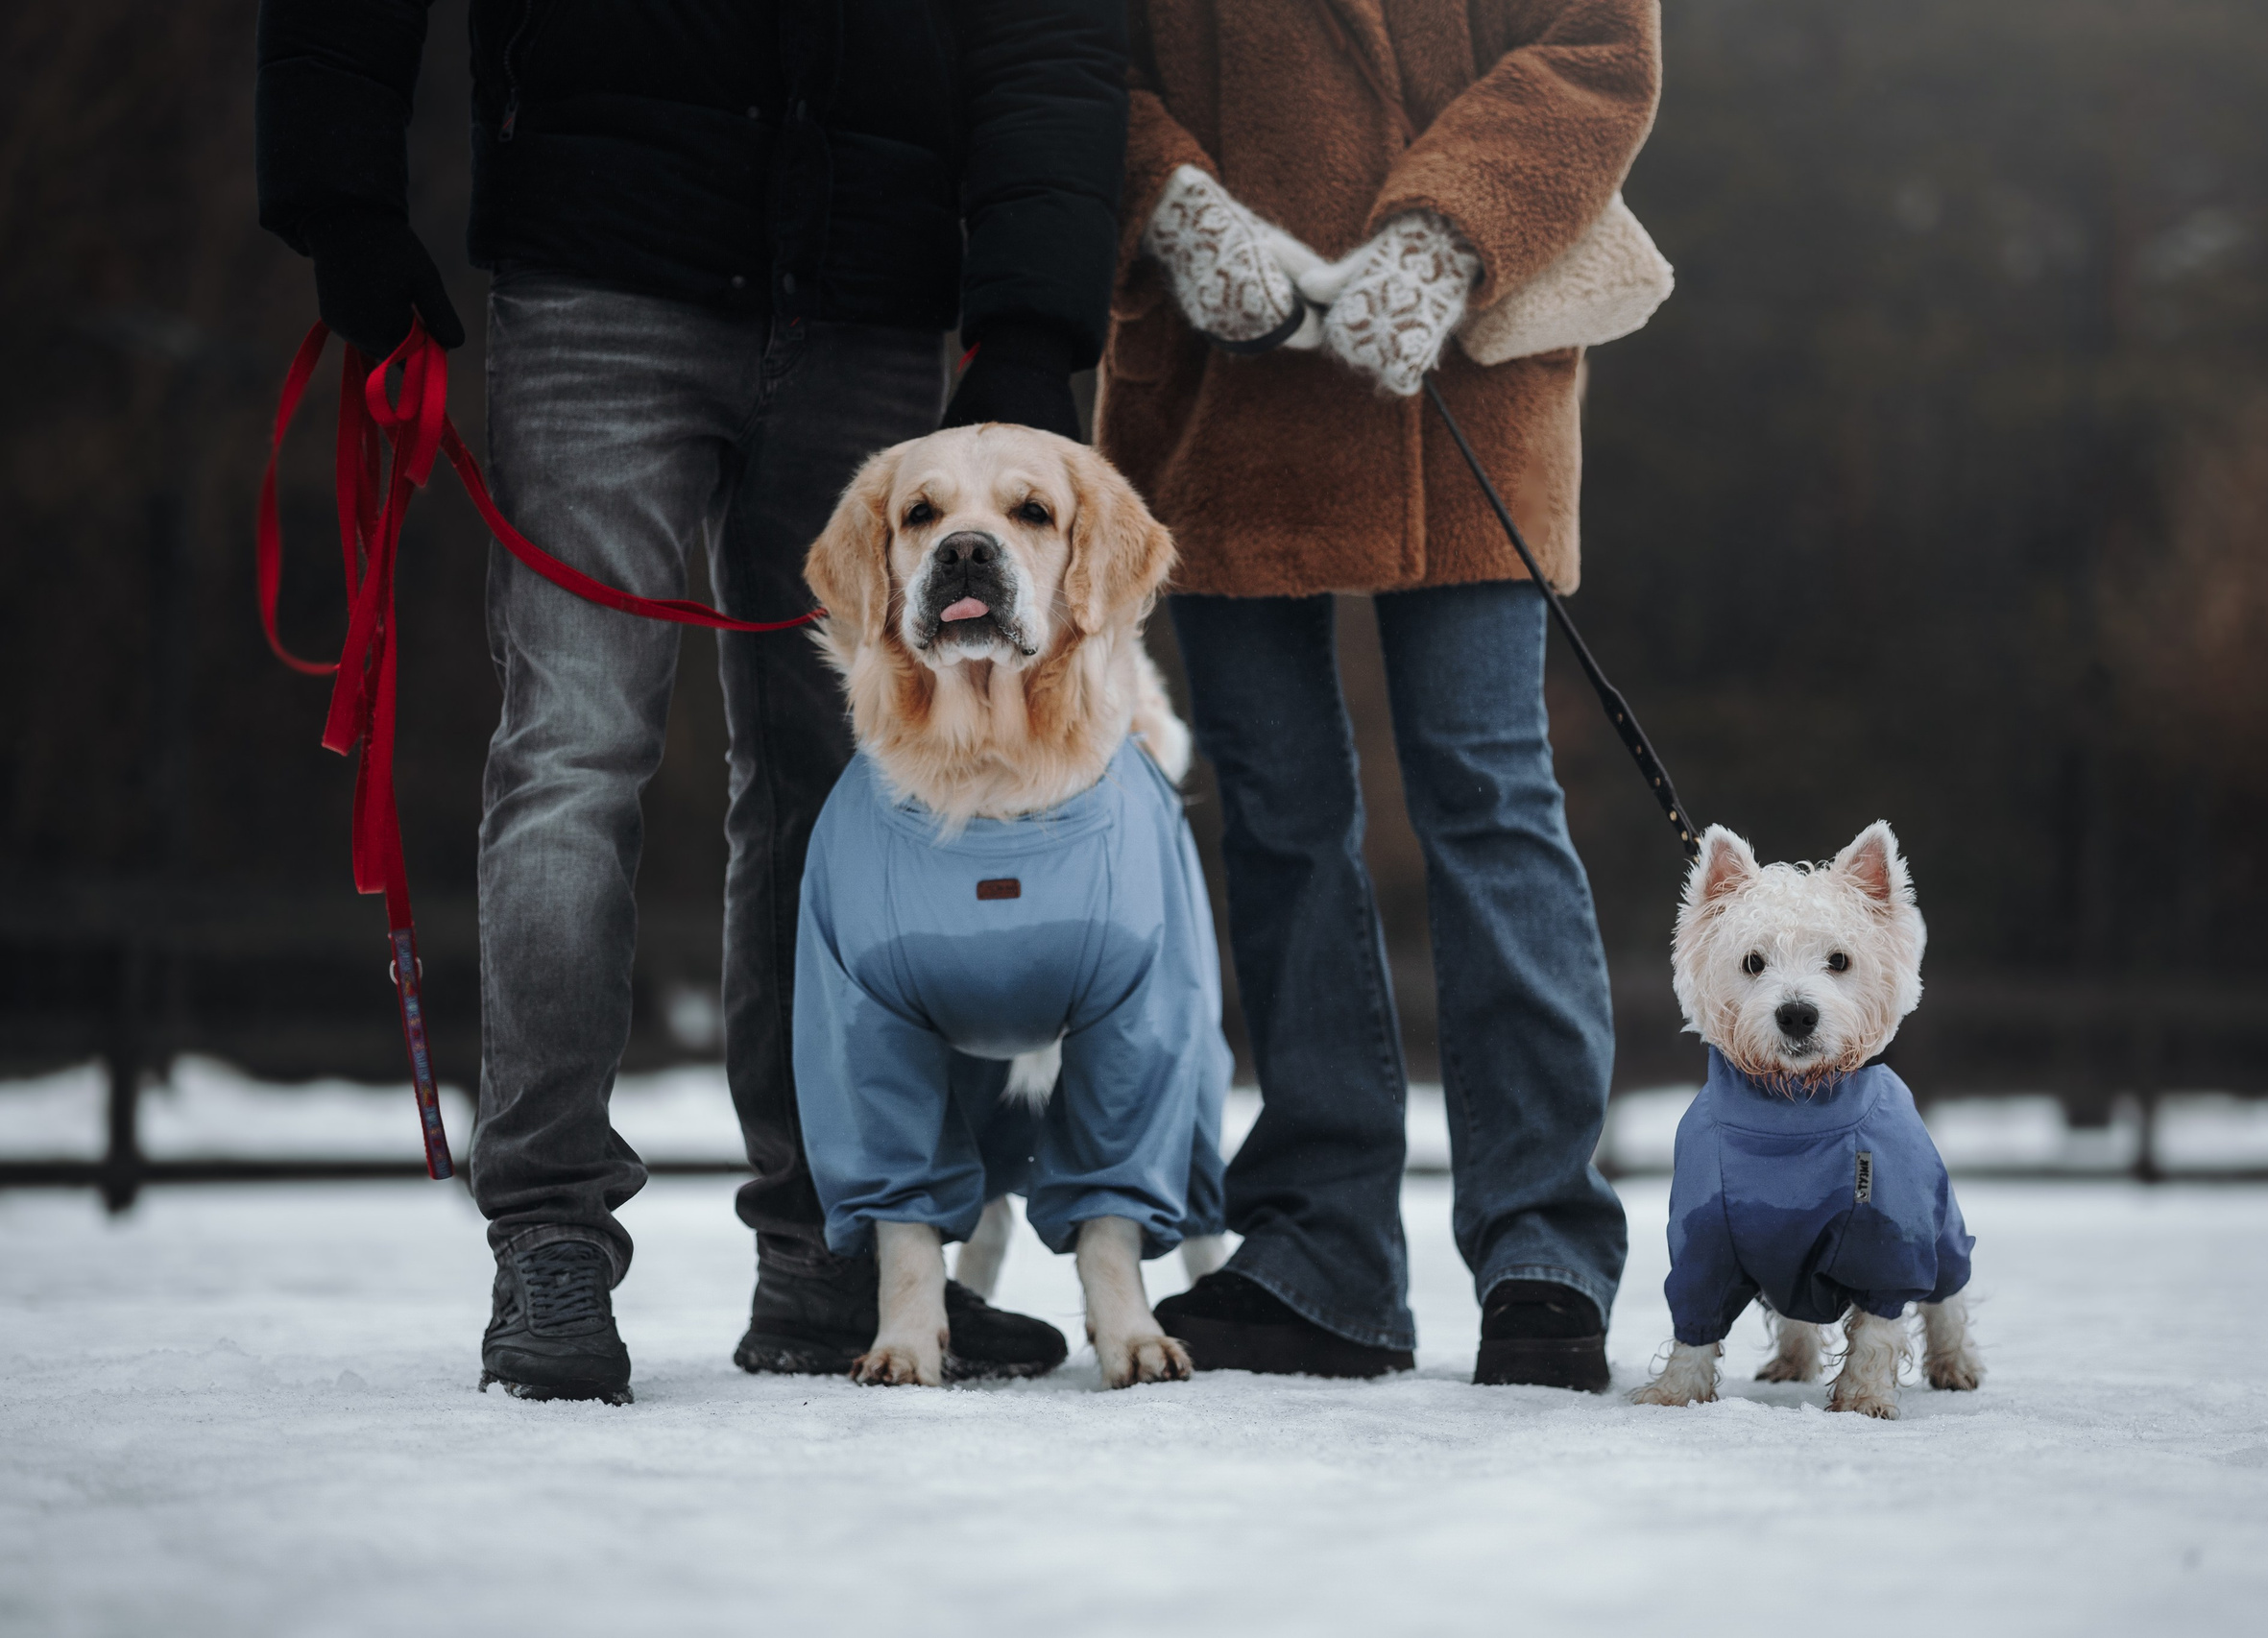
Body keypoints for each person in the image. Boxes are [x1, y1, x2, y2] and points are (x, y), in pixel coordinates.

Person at [255, 0, 1130, 1404]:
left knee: (841, 788)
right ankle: (547, 1235)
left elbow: (1053, 32)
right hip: (603, 258)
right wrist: (338, 192)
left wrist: (1031, 317)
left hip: (873, 281)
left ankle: (829, 1247)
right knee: (572, 753)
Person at [1101, 0, 1663, 1389]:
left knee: (1487, 785)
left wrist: (1448, 230)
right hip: (1224, 381)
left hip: (1468, 367)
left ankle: (1543, 1242)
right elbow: (1071, 57)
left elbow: (1600, 47)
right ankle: (1321, 1247)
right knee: (1276, 802)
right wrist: (1178, 207)